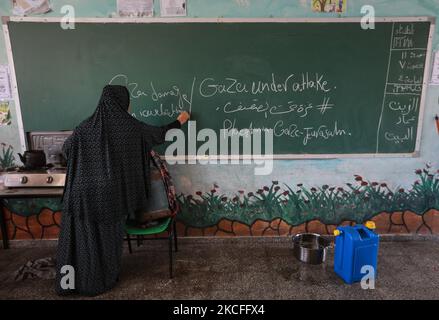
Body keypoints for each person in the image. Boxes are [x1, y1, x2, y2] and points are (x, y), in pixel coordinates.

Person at [55, 85, 189, 296]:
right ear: (121, 102)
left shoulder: (85, 126)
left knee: (79, 239)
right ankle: (98, 282)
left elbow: (66, 149)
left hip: (80, 194)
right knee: (106, 240)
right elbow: (159, 134)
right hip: (110, 195)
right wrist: (180, 120)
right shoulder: (131, 127)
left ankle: (70, 283)